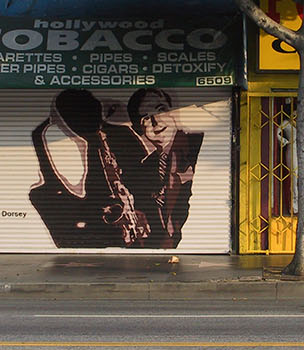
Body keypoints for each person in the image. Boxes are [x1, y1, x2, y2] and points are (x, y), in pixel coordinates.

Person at [31, 88, 202, 249]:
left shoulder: (124, 135)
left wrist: (140, 211)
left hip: (145, 226)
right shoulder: (71, 144)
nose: (155, 121)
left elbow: (145, 180)